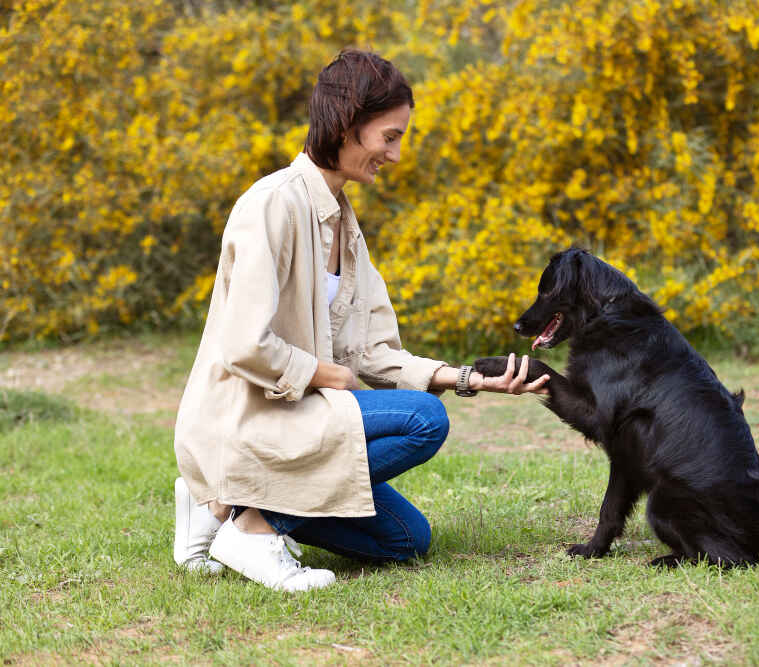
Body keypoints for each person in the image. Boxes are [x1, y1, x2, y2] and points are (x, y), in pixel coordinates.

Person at [172, 49, 549, 592]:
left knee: (404, 541)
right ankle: (254, 527)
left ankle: (221, 502)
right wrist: (331, 377)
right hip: (250, 417)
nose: (395, 155)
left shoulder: (345, 225)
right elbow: (243, 344)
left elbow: (374, 351)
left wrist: (469, 379)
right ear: (347, 125)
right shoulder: (271, 205)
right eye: (389, 136)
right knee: (423, 420)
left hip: (300, 416)